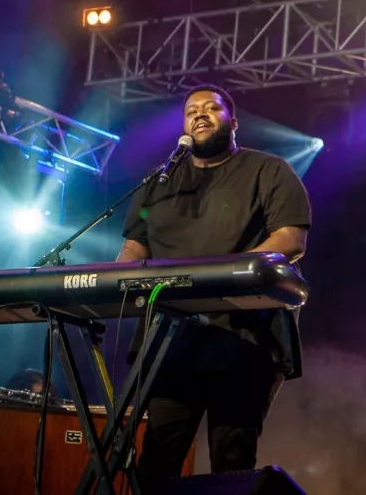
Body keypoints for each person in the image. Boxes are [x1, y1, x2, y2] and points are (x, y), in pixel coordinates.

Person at [116, 84, 312, 486]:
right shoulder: (158, 181)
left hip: (243, 336)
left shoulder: (269, 170)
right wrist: (110, 282)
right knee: (157, 458)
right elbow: (135, 246)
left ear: (233, 122)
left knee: (232, 457)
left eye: (212, 108)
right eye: (191, 111)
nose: (200, 115)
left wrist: (222, 274)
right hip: (170, 338)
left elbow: (290, 240)